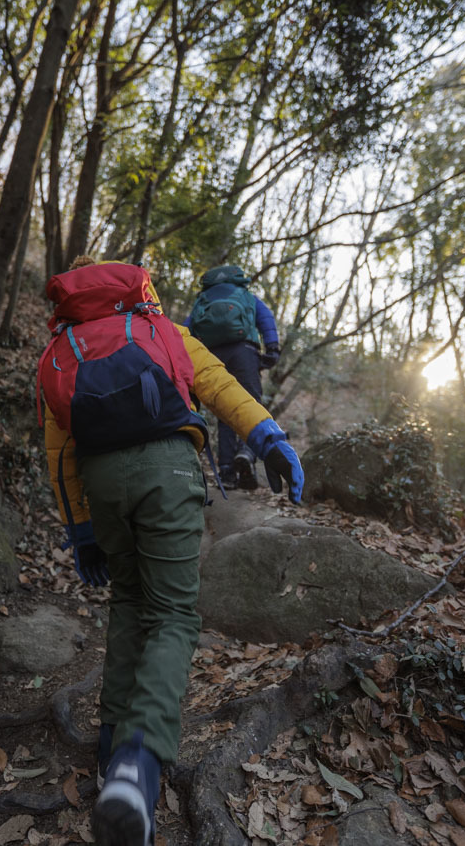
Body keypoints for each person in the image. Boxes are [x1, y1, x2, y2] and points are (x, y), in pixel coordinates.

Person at [37, 258, 304, 846]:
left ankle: (111, 749)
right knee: (175, 614)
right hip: (168, 473)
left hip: (103, 483)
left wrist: (80, 528)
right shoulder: (162, 331)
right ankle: (139, 760)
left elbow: (59, 447)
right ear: (136, 290)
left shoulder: (63, 349)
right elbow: (219, 386)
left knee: (129, 599)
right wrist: (270, 439)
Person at [184, 264, 281, 490]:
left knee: (225, 409)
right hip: (244, 352)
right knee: (252, 402)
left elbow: (186, 330)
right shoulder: (246, 296)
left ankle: (227, 472)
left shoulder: (203, 299)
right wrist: (273, 348)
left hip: (211, 355)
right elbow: (265, 318)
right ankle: (247, 453)